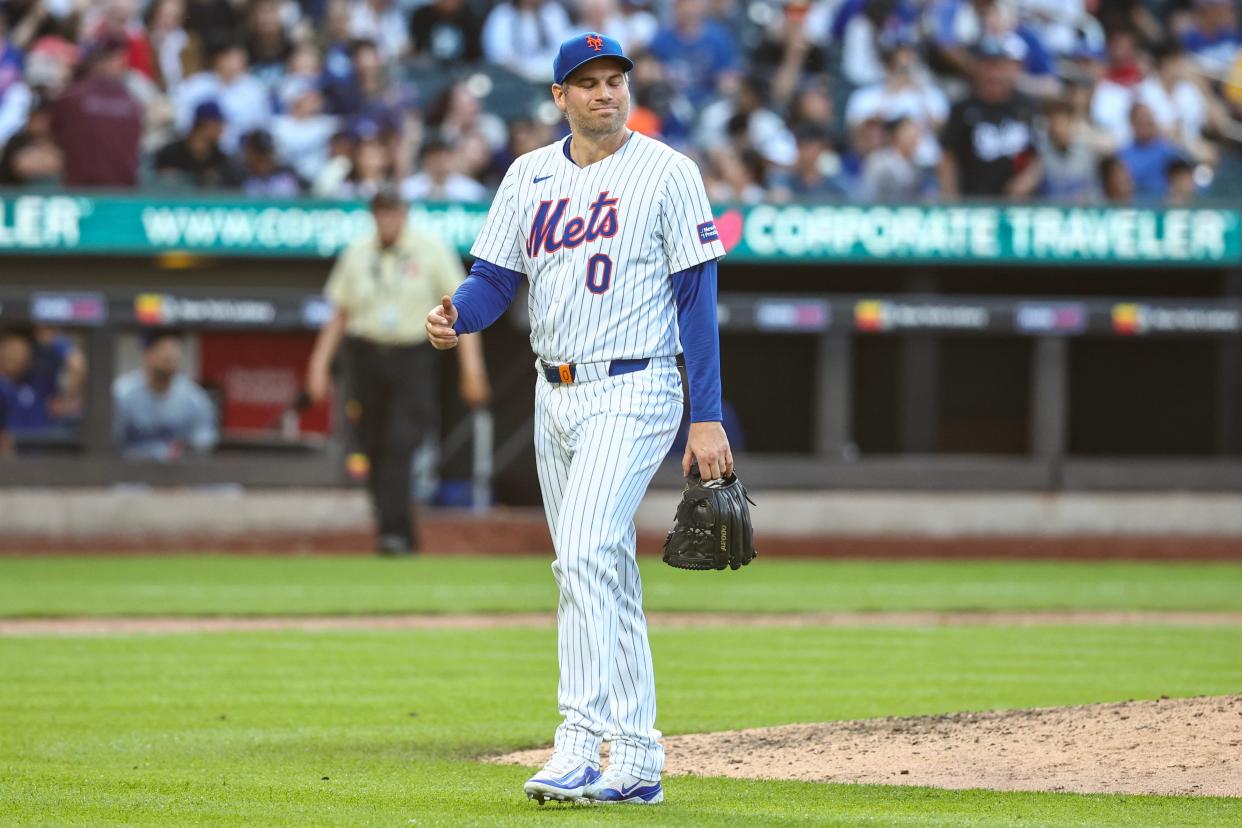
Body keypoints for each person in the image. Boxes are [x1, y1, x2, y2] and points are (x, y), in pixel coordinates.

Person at [425, 32, 730, 805]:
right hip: (553, 390)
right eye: (586, 82)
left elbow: (697, 300)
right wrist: (459, 314)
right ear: (558, 96)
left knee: (587, 551)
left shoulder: (668, 172)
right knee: (601, 570)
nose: (604, 92)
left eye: (614, 79)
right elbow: (495, 277)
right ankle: (636, 757)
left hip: (639, 383)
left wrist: (708, 417)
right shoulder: (528, 176)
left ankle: (576, 741)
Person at [307, 187, 490, 556]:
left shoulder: (429, 248)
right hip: (366, 355)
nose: (387, 219)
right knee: (370, 443)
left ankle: (393, 531)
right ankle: (395, 529)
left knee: (401, 442)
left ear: (404, 214)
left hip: (412, 357)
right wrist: (318, 366)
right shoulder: (357, 253)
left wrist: (472, 370)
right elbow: (339, 314)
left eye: (393, 212)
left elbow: (459, 309)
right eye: (381, 213)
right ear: (374, 215)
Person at [938, 34, 1041, 199]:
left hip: (1017, 206)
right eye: (988, 65)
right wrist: (951, 198)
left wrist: (1027, 180)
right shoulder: (963, 108)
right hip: (975, 204)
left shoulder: (1025, 106)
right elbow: (948, 158)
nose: (994, 73)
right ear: (977, 68)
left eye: (999, 66)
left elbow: (1037, 154)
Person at [51, 33, 144, 188]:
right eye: (114, 58)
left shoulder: (70, 96)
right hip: (121, 194)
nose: (120, 63)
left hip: (83, 193)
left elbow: (53, 135)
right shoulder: (133, 101)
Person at [113, 329, 218, 461]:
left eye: (175, 347)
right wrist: (157, 454)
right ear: (147, 354)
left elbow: (205, 438)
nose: (170, 354)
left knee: (228, 483)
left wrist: (184, 452)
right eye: (163, 347)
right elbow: (112, 444)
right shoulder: (122, 393)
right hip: (133, 472)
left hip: (181, 472)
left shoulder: (194, 395)